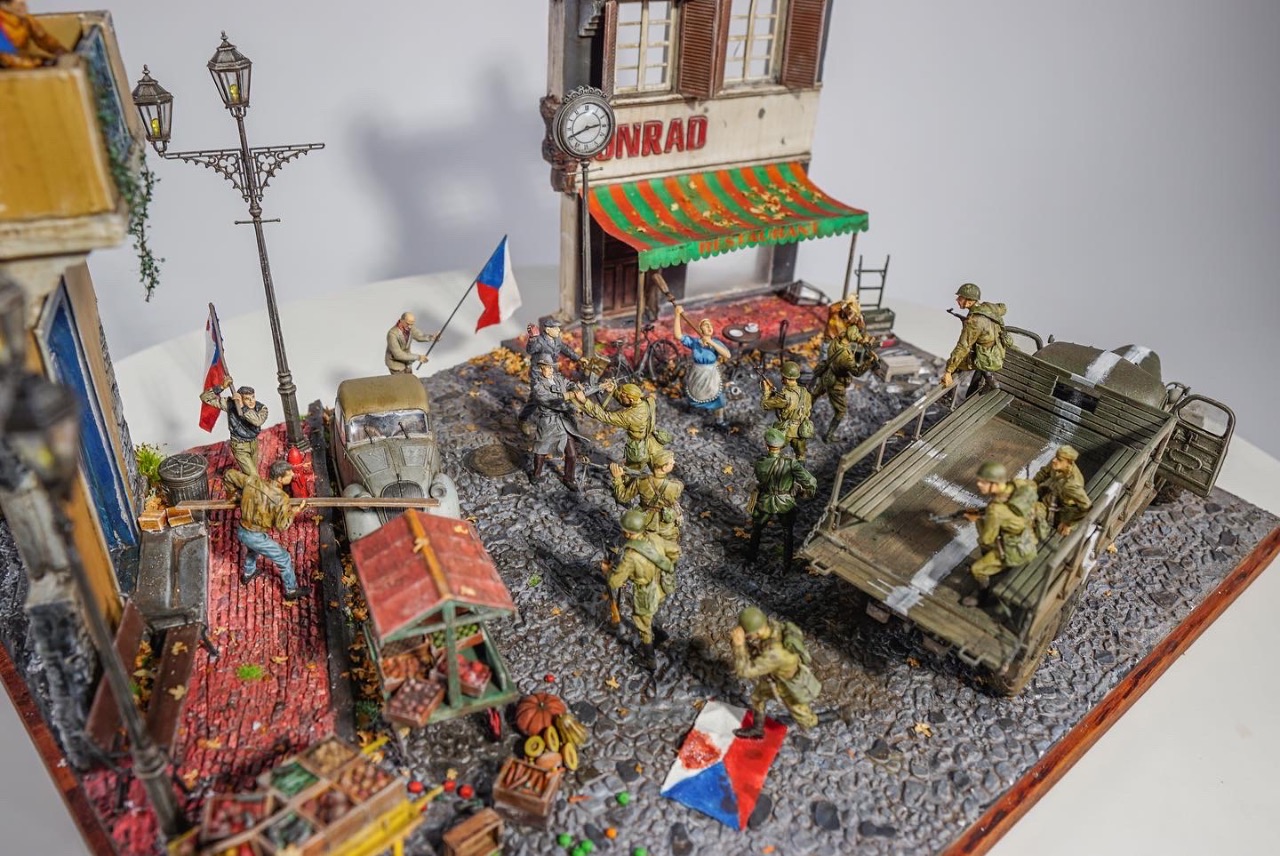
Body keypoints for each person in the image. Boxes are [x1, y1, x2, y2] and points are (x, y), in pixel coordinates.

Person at [730, 606, 821, 738]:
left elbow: (744, 671)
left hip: (788, 686)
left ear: (757, 632)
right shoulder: (774, 627)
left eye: (748, 634)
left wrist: (739, 646)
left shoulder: (774, 653)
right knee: (757, 697)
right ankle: (757, 729)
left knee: (801, 713)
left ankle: (819, 725)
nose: (747, 636)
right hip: (775, 677)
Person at [224, 460, 307, 602]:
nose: (293, 475)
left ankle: (248, 574)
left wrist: (234, 495)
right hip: (255, 535)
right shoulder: (281, 499)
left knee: (253, 550)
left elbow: (229, 474)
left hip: (242, 530)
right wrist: (294, 511)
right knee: (284, 558)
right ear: (280, 479)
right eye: (289, 474)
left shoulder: (252, 481)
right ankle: (291, 590)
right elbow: (282, 526)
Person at [962, 461, 1043, 605]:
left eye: (983, 482)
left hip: (1017, 548)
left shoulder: (995, 510)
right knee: (983, 525)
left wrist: (975, 518)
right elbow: (1032, 488)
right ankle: (992, 565)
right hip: (1030, 534)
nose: (979, 484)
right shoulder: (1017, 484)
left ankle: (982, 597)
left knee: (977, 568)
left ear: (994, 484)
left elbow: (987, 539)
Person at [608, 509, 679, 671]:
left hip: (645, 592)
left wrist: (609, 571)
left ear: (628, 533)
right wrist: (668, 567)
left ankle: (650, 660)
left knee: (642, 624)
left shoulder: (631, 556)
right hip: (661, 585)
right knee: (654, 609)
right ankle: (660, 634)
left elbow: (614, 582)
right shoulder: (655, 538)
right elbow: (675, 550)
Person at [747, 428, 818, 570]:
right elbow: (810, 481)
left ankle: (751, 558)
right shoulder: (791, 463)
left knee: (757, 529)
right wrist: (806, 493)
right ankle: (787, 565)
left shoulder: (760, 463)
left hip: (766, 501)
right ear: (782, 447)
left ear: (766, 446)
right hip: (786, 502)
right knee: (788, 532)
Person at [571, 381, 670, 471]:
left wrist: (585, 401)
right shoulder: (648, 401)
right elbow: (630, 402)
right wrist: (614, 392)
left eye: (623, 396)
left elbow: (605, 417)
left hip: (638, 449)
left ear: (631, 399)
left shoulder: (628, 416)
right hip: (653, 442)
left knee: (631, 473)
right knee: (659, 467)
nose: (622, 397)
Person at [529, 353, 587, 491]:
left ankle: (569, 478)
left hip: (564, 421)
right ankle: (536, 474)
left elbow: (569, 384)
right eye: (547, 368)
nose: (550, 370)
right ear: (541, 369)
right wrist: (573, 406)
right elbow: (552, 401)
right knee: (541, 450)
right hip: (548, 422)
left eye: (551, 367)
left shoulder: (558, 378)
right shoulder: (538, 387)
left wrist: (577, 387)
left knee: (571, 454)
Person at [609, 448, 684, 554]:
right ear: (664, 467)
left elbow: (623, 497)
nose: (674, 463)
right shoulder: (675, 486)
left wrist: (618, 479)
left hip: (644, 519)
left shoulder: (641, 481)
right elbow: (679, 485)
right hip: (666, 523)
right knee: (670, 540)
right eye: (671, 462)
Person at [810, 325, 876, 442]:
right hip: (836, 383)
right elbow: (857, 372)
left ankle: (803, 414)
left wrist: (861, 340)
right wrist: (869, 362)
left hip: (827, 375)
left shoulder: (836, 341)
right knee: (841, 411)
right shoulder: (847, 357)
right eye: (856, 335)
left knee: (815, 394)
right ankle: (829, 436)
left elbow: (845, 336)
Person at [941, 283, 1008, 395]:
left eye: (960, 298)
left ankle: (948, 395)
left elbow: (963, 346)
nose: (957, 300)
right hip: (997, 350)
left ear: (969, 301)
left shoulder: (973, 322)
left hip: (987, 358)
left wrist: (948, 371)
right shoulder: (988, 307)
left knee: (956, 363)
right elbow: (1003, 308)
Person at [672, 304, 731, 429]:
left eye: (710, 325)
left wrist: (711, 343)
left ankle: (719, 420)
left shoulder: (715, 343)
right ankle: (693, 407)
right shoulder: (694, 343)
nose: (709, 327)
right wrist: (677, 316)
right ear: (700, 329)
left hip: (710, 375)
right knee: (695, 392)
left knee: (716, 396)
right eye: (706, 325)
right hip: (697, 373)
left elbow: (727, 354)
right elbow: (678, 335)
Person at [520, 315, 582, 424]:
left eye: (558, 328)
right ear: (548, 330)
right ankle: (523, 419)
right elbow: (530, 350)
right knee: (536, 398)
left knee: (558, 391)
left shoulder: (556, 339)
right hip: (539, 374)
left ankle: (559, 417)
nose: (559, 330)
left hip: (552, 371)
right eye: (556, 328)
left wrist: (578, 359)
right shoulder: (539, 341)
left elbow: (565, 348)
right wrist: (532, 338)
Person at [200, 380, 268, 476]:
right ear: (240, 398)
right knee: (254, 476)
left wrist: (242, 407)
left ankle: (240, 481)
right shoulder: (230, 404)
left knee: (253, 473)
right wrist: (222, 387)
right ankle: (232, 479)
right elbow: (205, 397)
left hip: (254, 443)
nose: (252, 401)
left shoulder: (261, 408)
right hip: (239, 445)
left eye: (253, 397)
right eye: (247, 399)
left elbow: (257, 421)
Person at [761, 361, 814, 459]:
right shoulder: (805, 392)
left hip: (787, 430)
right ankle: (800, 468)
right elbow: (808, 410)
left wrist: (766, 392)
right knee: (801, 454)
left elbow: (765, 405)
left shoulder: (785, 397)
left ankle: (771, 465)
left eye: (783, 377)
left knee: (774, 449)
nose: (781, 379)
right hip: (801, 429)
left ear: (786, 378)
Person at [1034, 445, 1093, 535]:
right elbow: (1044, 472)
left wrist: (1068, 524)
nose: (1054, 460)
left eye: (1059, 459)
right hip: (1052, 494)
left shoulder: (1071, 484)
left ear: (1068, 462)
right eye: (1056, 457)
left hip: (1060, 510)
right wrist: (1033, 483)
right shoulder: (1057, 464)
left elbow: (1086, 506)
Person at [1, 0, 68, 69]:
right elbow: (5, 56)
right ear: (4, 5)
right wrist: (37, 64)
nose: (24, 6)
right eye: (19, 4)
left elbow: (44, 39)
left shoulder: (27, 20)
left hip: (22, 62)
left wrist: (64, 53)